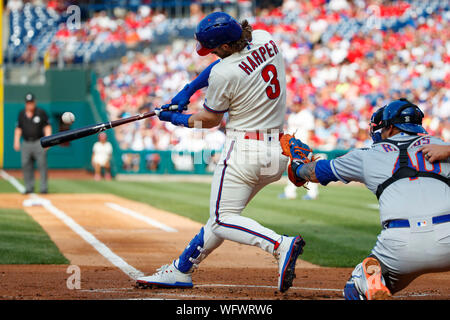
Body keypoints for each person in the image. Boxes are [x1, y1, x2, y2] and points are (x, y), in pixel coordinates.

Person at [136, 12, 305, 293]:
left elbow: (210, 120)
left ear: (225, 46)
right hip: (276, 150)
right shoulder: (264, 37)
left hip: (244, 151)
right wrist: (190, 88)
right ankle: (181, 269)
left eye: (214, 48)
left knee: (221, 218)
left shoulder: (224, 73)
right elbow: (221, 66)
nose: (211, 53)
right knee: (225, 216)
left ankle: (279, 244)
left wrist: (175, 119)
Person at [282, 98, 450, 299]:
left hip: (399, 245)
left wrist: (298, 165)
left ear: (390, 127)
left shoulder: (368, 155)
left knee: (358, 282)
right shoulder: (441, 146)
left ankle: (368, 281)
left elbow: (312, 173)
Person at [279, 99, 319, 200]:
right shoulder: (292, 116)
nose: (295, 106)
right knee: (291, 169)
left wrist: (309, 146)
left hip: (303, 148)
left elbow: (310, 131)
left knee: (309, 170)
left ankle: (312, 193)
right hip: (293, 148)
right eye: (294, 104)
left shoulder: (306, 115)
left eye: (297, 104)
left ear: (301, 104)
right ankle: (290, 193)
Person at [14, 93, 52, 194]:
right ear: (25, 103)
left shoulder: (41, 112)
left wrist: (48, 140)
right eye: (28, 103)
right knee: (26, 165)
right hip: (26, 143)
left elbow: (47, 127)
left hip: (39, 142)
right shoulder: (22, 114)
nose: (29, 105)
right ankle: (29, 187)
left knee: (42, 165)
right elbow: (18, 128)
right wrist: (16, 141)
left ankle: (43, 188)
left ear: (34, 102)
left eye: (31, 102)